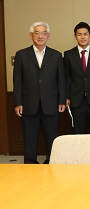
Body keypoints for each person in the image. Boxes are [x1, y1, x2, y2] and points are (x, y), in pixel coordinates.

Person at [13, 22, 66, 164]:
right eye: (37, 33)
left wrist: (62, 100)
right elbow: (17, 81)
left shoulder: (56, 55)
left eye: (44, 33)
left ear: (48, 36)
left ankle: (51, 162)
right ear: (31, 35)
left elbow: (61, 80)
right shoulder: (21, 55)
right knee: (30, 137)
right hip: (29, 104)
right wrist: (18, 102)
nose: (40, 36)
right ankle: (30, 163)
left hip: (51, 103)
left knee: (52, 137)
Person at [64, 22, 90, 134]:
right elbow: (66, 78)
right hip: (76, 99)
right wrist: (66, 97)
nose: (83, 37)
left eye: (85, 34)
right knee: (78, 131)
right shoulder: (68, 55)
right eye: (79, 34)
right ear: (75, 36)